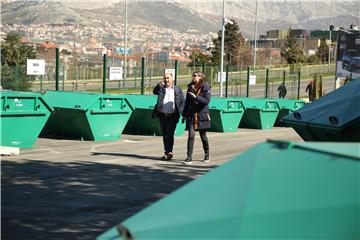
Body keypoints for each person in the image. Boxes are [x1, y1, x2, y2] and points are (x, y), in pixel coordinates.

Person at [153, 72, 185, 160]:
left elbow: (182, 101)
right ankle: (167, 152)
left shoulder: (178, 90)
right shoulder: (161, 88)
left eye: (168, 78)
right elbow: (154, 91)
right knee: (165, 134)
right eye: (165, 78)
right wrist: (158, 85)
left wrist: (181, 113)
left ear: (172, 79)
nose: (166, 80)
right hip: (162, 114)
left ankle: (169, 151)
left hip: (173, 115)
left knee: (169, 134)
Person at [182, 71, 211, 164]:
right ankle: (189, 157)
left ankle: (207, 154)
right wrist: (184, 114)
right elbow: (187, 103)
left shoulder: (206, 87)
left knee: (203, 136)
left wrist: (196, 97)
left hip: (202, 115)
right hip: (191, 115)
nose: (193, 77)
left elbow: (206, 101)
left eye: (195, 76)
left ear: (200, 77)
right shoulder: (190, 87)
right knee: (191, 135)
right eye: (193, 75)